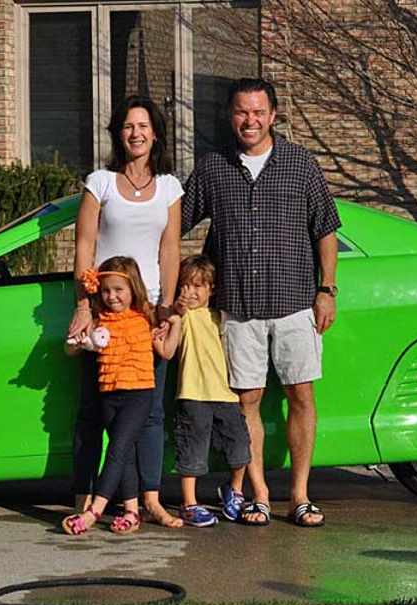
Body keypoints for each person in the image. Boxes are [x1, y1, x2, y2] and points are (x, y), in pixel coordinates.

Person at [181, 78, 341, 527]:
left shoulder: (300, 164)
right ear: (230, 116)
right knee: (246, 400)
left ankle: (302, 496)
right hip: (237, 305)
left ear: (273, 115)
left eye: (258, 112)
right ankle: (259, 495)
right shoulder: (212, 168)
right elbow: (176, 220)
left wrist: (326, 290)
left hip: (294, 302)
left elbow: (325, 230)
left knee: (300, 395)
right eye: (240, 112)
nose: (249, 121)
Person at [67, 95, 184, 528]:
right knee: (94, 410)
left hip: (147, 312)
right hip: (105, 312)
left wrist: (167, 305)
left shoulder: (170, 187)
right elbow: (85, 245)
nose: (136, 133)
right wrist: (84, 302)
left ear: (155, 133)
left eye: (144, 126)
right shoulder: (99, 182)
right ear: (119, 133)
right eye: (128, 126)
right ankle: (85, 496)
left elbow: (170, 249)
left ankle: (148, 500)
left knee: (150, 411)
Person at [62, 256, 181, 535]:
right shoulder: (97, 318)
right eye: (105, 290)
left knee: (116, 450)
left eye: (118, 290)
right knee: (123, 452)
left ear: (133, 289)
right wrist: (78, 342)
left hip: (139, 394)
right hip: (109, 393)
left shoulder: (147, 316)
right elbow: (70, 350)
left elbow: (166, 352)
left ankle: (94, 512)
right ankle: (131, 511)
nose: (112, 296)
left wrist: (175, 324)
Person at [172, 255, 251, 527]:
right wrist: (177, 310)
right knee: (192, 449)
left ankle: (236, 490)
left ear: (211, 289)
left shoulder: (221, 317)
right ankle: (189, 502)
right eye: (185, 286)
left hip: (226, 393)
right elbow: (173, 328)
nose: (190, 292)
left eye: (197, 286)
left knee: (239, 444)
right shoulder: (182, 317)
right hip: (193, 392)